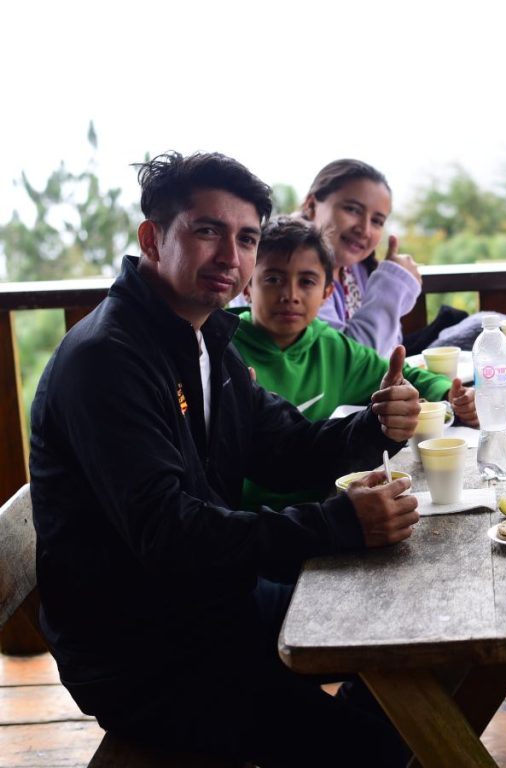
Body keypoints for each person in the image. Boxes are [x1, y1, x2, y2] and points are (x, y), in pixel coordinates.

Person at [29, 151, 422, 766]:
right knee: (380, 741)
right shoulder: (109, 360)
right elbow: (169, 532)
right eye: (207, 231)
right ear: (153, 239)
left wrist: (374, 427)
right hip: (145, 655)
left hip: (214, 608)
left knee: (406, 648)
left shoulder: (207, 337)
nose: (229, 256)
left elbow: (283, 445)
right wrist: (342, 522)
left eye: (246, 239)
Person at [232, 215, 479, 510]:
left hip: (328, 503)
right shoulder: (225, 349)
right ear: (247, 287)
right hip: (249, 519)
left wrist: (452, 395)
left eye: (307, 281)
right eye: (273, 279)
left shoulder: (333, 347)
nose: (290, 295)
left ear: (326, 293)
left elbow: (406, 377)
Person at [301, 158, 423, 355]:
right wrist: (394, 283)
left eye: (377, 221)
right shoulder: (291, 271)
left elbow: (390, 350)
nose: (364, 230)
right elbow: (348, 364)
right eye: (352, 209)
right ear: (311, 205)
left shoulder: (358, 270)